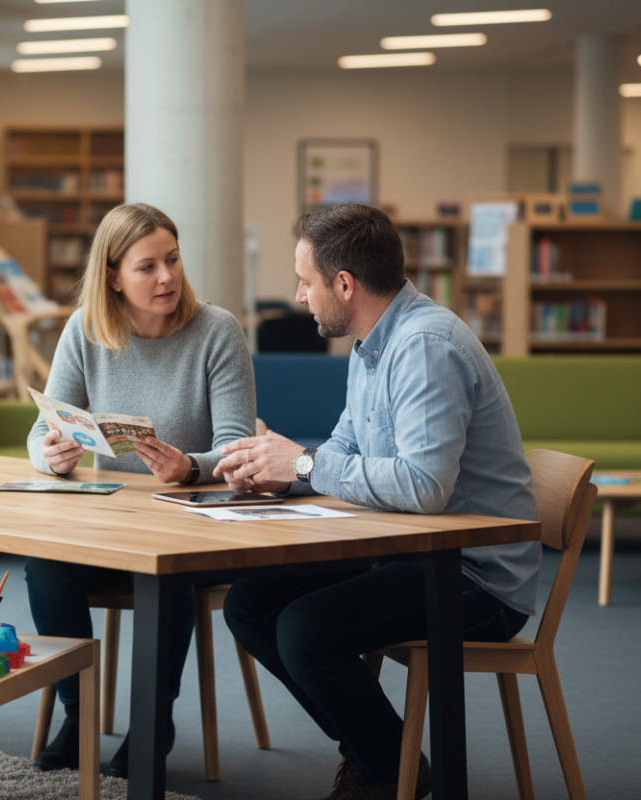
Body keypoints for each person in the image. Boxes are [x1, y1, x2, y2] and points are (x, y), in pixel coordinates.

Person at [213, 203, 539, 800]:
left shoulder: (424, 347)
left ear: (344, 284)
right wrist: (280, 471)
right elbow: (344, 446)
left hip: (474, 576)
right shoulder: (373, 343)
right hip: (412, 550)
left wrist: (306, 464)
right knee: (251, 604)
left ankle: (387, 772)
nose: (299, 295)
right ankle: (380, 757)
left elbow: (424, 486)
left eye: (306, 282)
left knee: (307, 630)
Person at [25, 202, 256, 777]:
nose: (167, 278)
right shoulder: (85, 329)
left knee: (165, 571)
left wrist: (192, 469)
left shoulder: (217, 331)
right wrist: (51, 457)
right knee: (44, 564)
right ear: (113, 276)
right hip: (109, 524)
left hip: (194, 524)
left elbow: (234, 447)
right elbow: (40, 430)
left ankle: (155, 721)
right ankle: (79, 714)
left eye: (173, 260)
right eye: (147, 266)